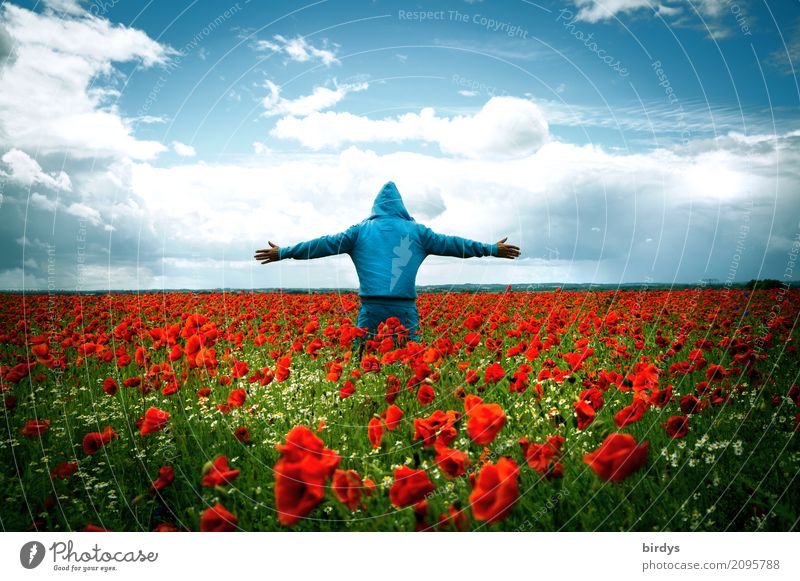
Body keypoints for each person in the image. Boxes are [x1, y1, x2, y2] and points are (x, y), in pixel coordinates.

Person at [254, 181, 520, 341]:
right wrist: (490, 249)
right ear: (401, 206)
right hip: (405, 309)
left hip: (370, 309)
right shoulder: (418, 233)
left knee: (364, 366)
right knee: (412, 367)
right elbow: (454, 244)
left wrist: (285, 251)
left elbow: (321, 244)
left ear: (375, 206)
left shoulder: (358, 232)